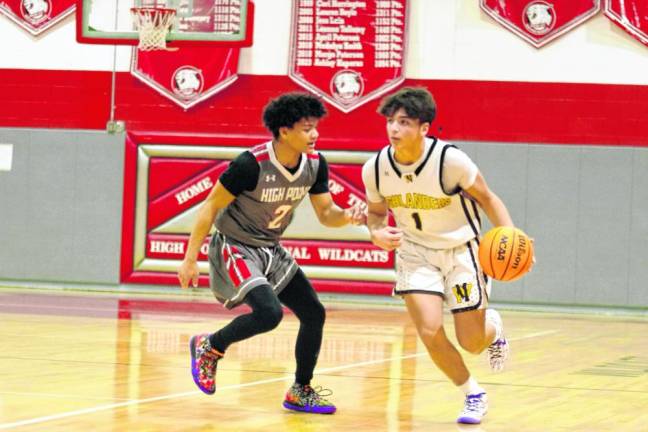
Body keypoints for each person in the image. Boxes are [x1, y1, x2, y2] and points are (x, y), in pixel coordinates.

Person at [178, 92, 365, 414]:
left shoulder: (316, 165)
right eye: (307, 129)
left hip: (270, 248)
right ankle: (211, 346)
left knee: (314, 312)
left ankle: (300, 390)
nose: (315, 134)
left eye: (315, 127)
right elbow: (210, 206)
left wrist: (347, 215)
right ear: (284, 132)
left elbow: (326, 214)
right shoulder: (250, 164)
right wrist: (190, 258)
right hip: (235, 245)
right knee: (269, 314)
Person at [361, 87, 514, 425]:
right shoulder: (375, 168)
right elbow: (375, 213)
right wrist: (376, 232)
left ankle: (493, 328)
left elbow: (488, 199)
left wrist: (509, 235)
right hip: (415, 254)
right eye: (390, 122)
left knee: (471, 342)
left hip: (461, 252)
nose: (394, 129)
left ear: (424, 128)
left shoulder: (450, 161)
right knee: (429, 331)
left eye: (404, 122)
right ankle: (473, 394)